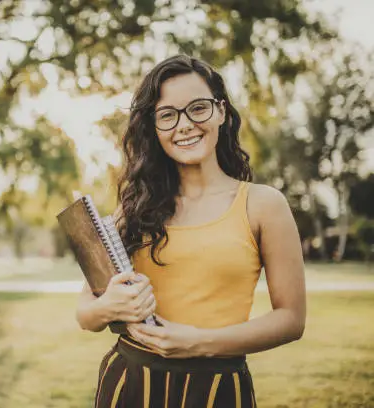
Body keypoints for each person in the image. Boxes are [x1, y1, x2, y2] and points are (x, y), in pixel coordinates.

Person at [76, 55, 306, 407]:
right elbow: (86, 315)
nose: (184, 125)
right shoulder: (134, 207)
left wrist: (198, 341)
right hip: (130, 383)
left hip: (215, 389)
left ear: (221, 112)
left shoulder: (264, 205)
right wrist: (108, 305)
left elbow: (291, 320)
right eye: (167, 115)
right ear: (153, 126)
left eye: (198, 108)